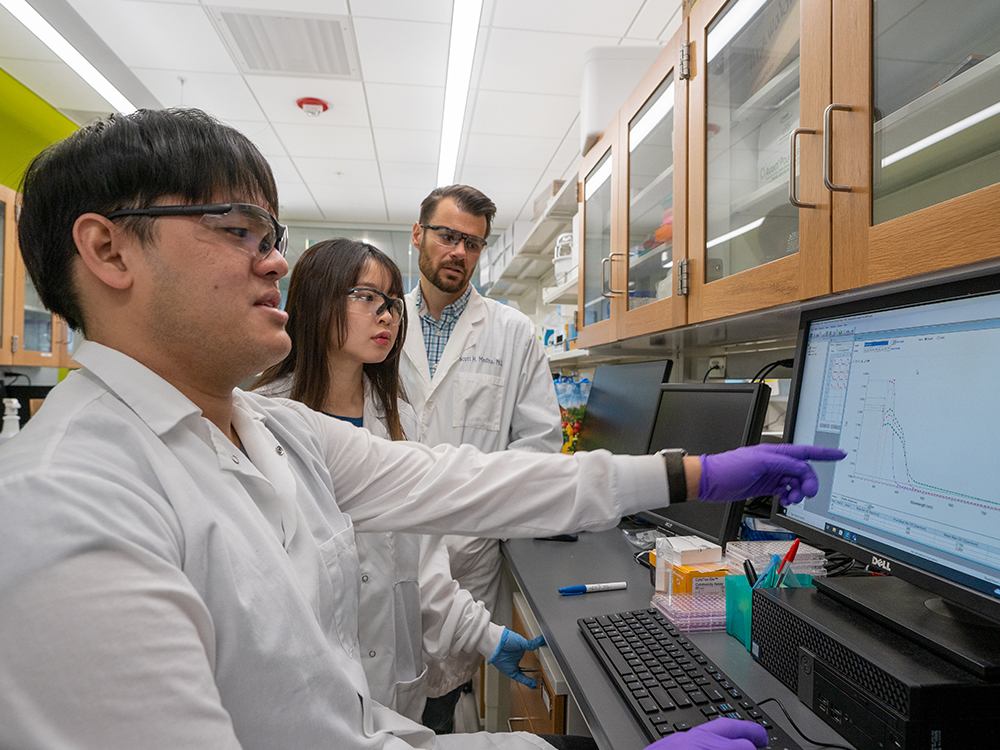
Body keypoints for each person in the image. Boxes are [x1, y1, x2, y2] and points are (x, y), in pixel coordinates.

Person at [0, 107, 843, 750]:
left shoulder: (275, 430)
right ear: (109, 252)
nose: (275, 262)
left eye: (274, 236)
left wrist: (694, 476)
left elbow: (478, 479)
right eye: (236, 230)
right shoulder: (66, 507)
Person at [251, 238, 542, 722]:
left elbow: (424, 562)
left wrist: (487, 636)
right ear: (318, 300)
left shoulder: (398, 418)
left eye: (391, 302)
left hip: (394, 675)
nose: (387, 315)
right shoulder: (265, 417)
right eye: (366, 297)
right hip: (304, 681)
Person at [400, 185, 563, 731]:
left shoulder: (512, 332)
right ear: (419, 235)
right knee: (378, 701)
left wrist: (482, 517)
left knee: (442, 704)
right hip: (387, 547)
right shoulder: (381, 321)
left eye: (473, 243)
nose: (459, 252)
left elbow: (539, 444)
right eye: (448, 236)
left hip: (468, 556)